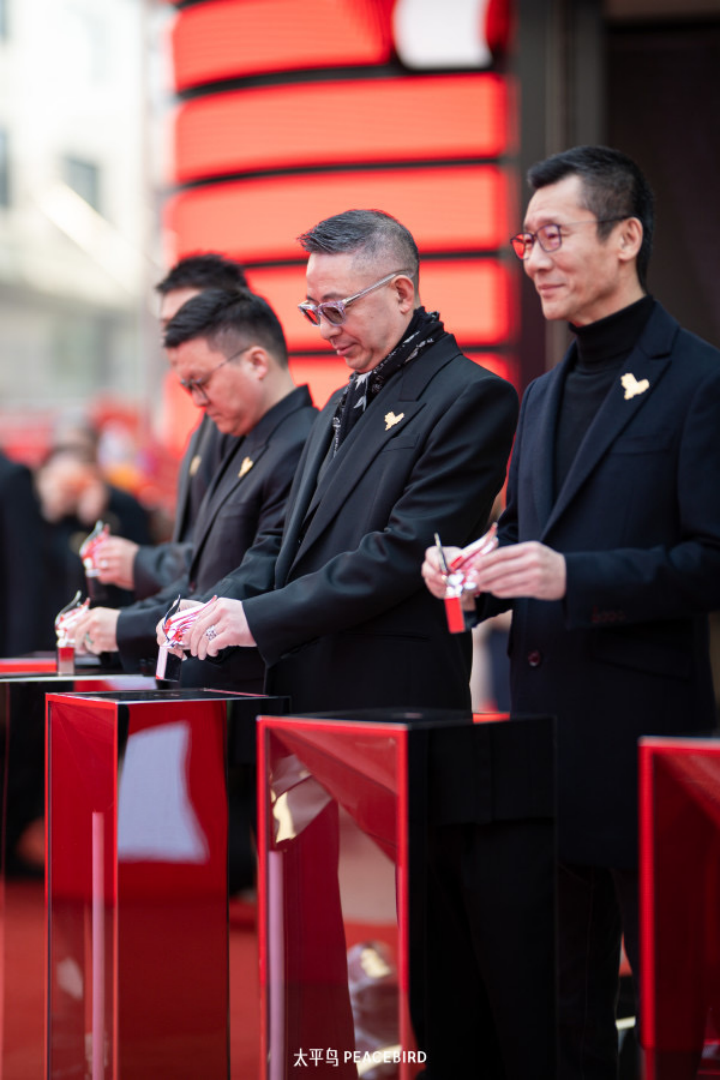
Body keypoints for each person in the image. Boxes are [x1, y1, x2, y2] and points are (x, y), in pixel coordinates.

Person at [423, 145, 720, 1079]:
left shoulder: (700, 381)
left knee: (671, 1009)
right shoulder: (542, 393)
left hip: (647, 748)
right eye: (526, 240)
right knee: (558, 1014)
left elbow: (712, 562)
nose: (535, 259)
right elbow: (525, 539)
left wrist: (573, 578)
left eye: (554, 236)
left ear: (625, 238)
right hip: (541, 745)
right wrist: (470, 577)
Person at [178, 209, 518, 714]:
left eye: (337, 309)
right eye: (312, 311)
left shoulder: (472, 395)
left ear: (401, 293)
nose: (324, 330)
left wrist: (259, 617)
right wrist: (216, 603)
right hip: (308, 687)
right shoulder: (340, 401)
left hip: (391, 698)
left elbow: (403, 552)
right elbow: (287, 540)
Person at [73, 288, 316, 692]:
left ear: (257, 362)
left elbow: (263, 573)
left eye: (201, 382)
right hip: (209, 676)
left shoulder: (303, 440)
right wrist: (129, 622)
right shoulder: (243, 438)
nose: (198, 401)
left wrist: (129, 625)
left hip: (251, 685)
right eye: (188, 387)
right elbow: (200, 578)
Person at [95, 253, 249, 600]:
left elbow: (227, 557)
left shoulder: (249, 428)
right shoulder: (207, 421)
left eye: (186, 323)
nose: (172, 340)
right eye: (167, 327)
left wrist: (139, 563)